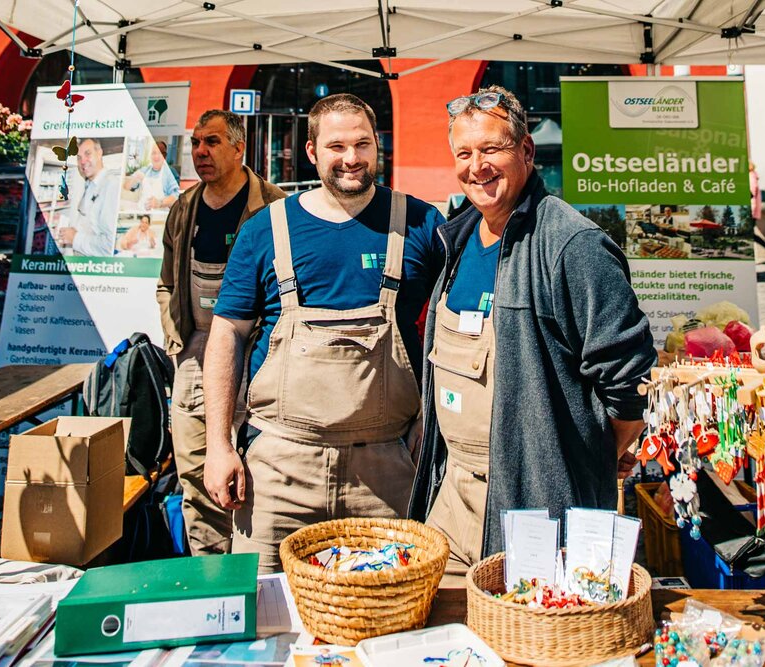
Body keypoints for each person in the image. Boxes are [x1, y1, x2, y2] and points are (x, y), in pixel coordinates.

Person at [408, 86, 657, 583]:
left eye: (491, 150)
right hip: (452, 498)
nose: (476, 166)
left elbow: (630, 385)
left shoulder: (573, 245)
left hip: (535, 509)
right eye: (464, 153)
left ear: (525, 151)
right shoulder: (455, 241)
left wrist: (581, 457)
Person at [202, 93, 445, 572]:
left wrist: (430, 424)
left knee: (390, 615)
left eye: (362, 144)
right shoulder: (265, 230)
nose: (351, 158)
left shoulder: (420, 225)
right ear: (312, 152)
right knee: (266, 615)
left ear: (379, 147)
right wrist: (218, 445)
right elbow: (226, 334)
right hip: (278, 472)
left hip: (388, 470)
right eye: (336, 146)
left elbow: (450, 332)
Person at [157, 109, 287, 555]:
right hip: (194, 356)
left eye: (211, 142)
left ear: (239, 148)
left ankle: (254, 566)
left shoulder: (274, 206)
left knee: (256, 471)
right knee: (196, 474)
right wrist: (176, 338)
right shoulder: (184, 208)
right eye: (195, 143)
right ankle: (210, 576)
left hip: (256, 357)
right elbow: (166, 284)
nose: (200, 152)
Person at [59, 138, 120, 256]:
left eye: (87, 154)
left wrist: (75, 238)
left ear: (99, 153)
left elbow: (110, 244)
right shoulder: (91, 184)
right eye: (79, 157)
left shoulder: (111, 185)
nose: (82, 161)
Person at [124, 139, 181, 211]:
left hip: (160, 213)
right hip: (142, 210)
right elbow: (126, 187)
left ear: (165, 156)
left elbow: (177, 197)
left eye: (160, 153)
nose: (156, 156)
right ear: (150, 155)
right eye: (154, 153)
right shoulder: (145, 170)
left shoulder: (170, 172)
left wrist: (159, 203)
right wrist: (134, 179)